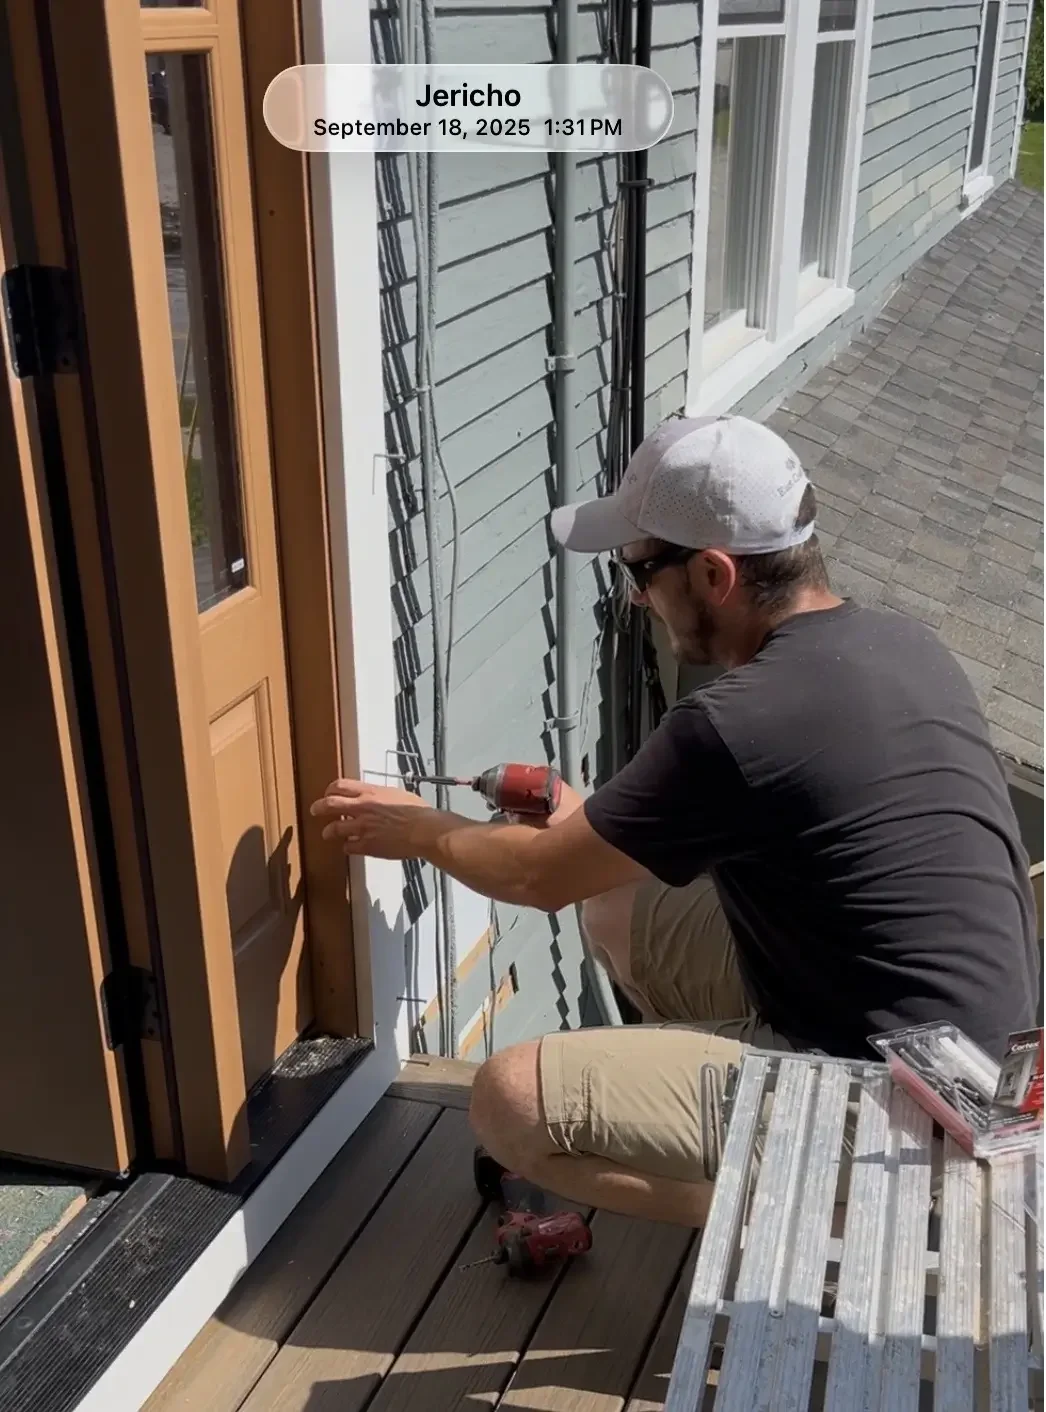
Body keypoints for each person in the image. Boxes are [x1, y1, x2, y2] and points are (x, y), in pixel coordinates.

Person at [311, 413, 1040, 1229]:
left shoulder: (737, 722)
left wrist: (414, 830)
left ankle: (815, 1214)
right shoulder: (906, 644)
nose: (634, 593)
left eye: (640, 568)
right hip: (981, 1067)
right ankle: (724, 1107)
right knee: (617, 907)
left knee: (506, 1102)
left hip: (909, 1117)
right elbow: (599, 863)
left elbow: (535, 878)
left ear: (715, 575)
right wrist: (573, 810)